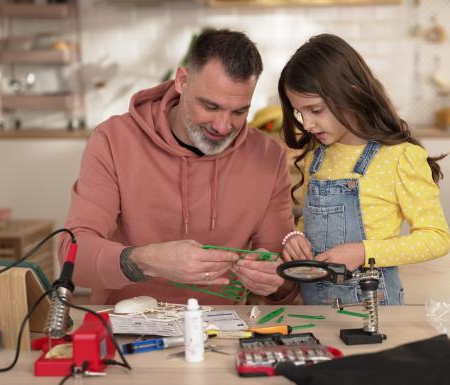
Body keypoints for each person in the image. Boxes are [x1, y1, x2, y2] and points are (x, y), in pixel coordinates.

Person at [59, 29, 297, 305]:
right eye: (210, 106)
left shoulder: (268, 156)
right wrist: (147, 260)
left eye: (239, 112)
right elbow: (73, 254)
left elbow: (285, 283)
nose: (223, 126)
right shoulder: (113, 140)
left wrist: (276, 282)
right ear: (182, 81)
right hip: (125, 331)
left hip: (223, 335)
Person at [278, 34, 450, 306]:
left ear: (351, 93)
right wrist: (296, 237)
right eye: (301, 113)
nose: (308, 124)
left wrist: (363, 252)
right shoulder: (317, 156)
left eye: (316, 110)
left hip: (374, 307)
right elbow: (313, 223)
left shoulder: (400, 157)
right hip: (315, 307)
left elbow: (437, 239)